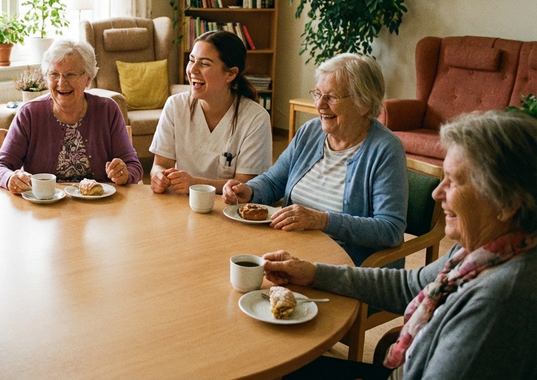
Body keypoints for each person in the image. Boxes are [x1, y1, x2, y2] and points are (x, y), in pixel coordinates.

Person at [265, 110, 537, 380]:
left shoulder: (498, 300)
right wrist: (312, 273)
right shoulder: (486, 251)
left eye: (454, 182)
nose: (436, 192)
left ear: (507, 204)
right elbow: (409, 286)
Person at [223, 53, 407, 266]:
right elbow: (274, 181)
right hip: (291, 249)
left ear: (364, 103)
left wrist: (322, 220)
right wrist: (250, 190)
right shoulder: (310, 132)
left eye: (331, 97)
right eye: (317, 94)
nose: (319, 105)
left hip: (344, 266)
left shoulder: (385, 150)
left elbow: (390, 229)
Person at [0, 39, 142, 193]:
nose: (61, 83)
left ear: (88, 78)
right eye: (54, 74)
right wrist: (10, 178)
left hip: (98, 208)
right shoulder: (29, 114)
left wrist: (124, 173)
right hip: (44, 209)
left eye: (70, 74)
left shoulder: (108, 110)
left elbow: (133, 166)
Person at [150, 30, 271, 194]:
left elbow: (245, 185)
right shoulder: (175, 105)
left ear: (231, 73)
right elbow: (161, 164)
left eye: (205, 63)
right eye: (191, 60)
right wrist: (158, 176)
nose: (192, 70)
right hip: (179, 204)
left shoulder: (255, 118)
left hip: (228, 210)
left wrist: (195, 184)